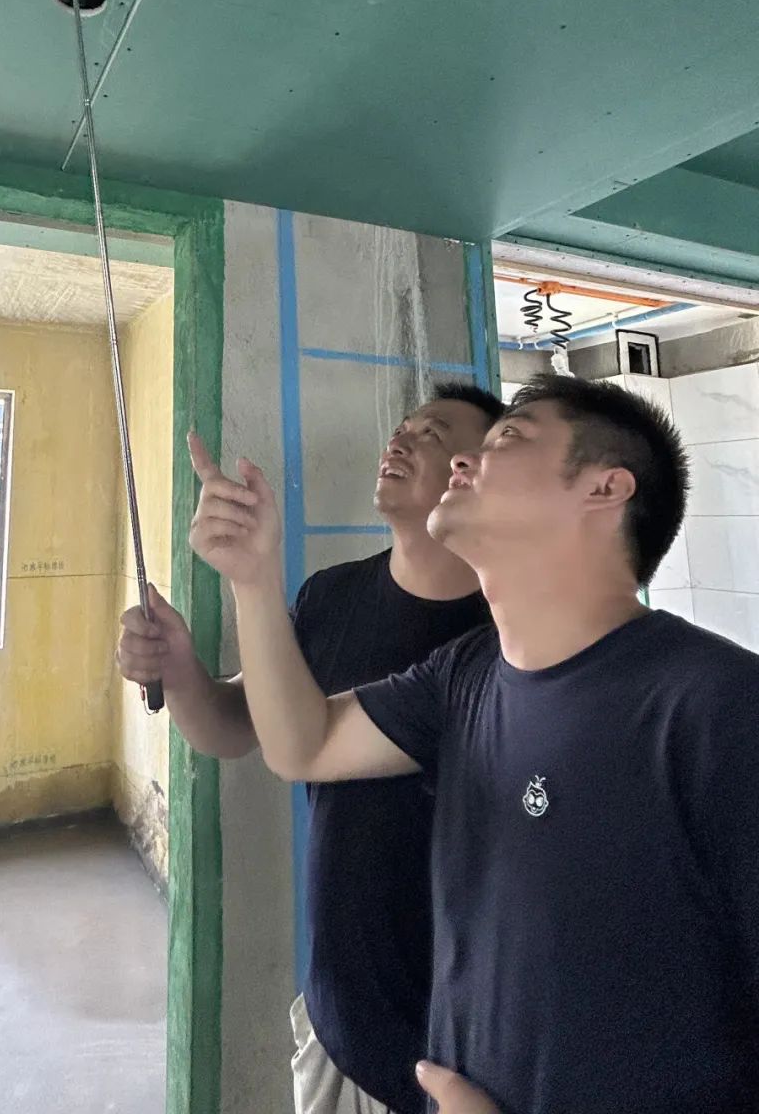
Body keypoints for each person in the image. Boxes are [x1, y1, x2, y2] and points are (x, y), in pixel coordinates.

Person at [189, 373, 759, 1114]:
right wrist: (253, 580)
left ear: (604, 488)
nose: (464, 460)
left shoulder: (717, 706)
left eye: (509, 439)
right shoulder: (464, 675)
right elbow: (304, 746)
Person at [118, 383, 504, 1114]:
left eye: (434, 432)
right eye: (404, 425)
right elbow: (240, 724)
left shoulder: (504, 635)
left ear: (477, 475)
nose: (402, 437)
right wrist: (181, 668)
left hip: (459, 1055)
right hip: (339, 1023)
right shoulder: (333, 596)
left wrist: (253, 579)